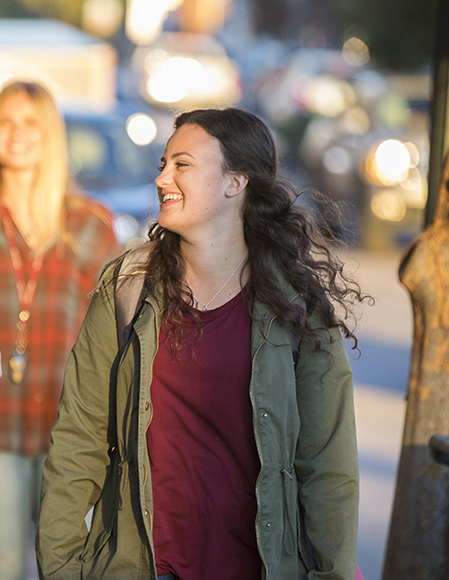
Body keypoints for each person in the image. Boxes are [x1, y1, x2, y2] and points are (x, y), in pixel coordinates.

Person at [37, 108, 366, 579]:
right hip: (144, 566)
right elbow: (79, 438)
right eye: (163, 164)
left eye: (182, 165)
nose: (162, 178)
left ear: (235, 182)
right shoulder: (128, 287)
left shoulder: (297, 309)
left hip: (259, 567)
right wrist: (61, 566)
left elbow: (328, 466)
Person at [0, 81, 121, 580]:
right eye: (5, 123)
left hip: (74, 437)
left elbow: (124, 334)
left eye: (30, 123)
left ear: (50, 134)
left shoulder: (91, 225)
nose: (17, 134)